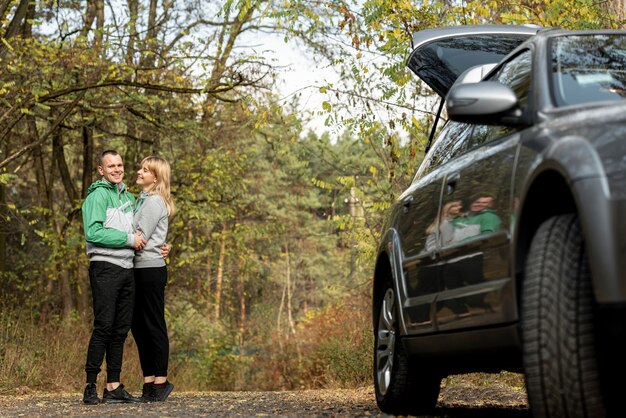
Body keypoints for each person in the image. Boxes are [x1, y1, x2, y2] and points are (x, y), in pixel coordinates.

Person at [81, 150, 146, 404]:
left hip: (127, 269)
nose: (117, 169)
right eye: (111, 166)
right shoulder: (98, 195)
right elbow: (93, 233)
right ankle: (89, 386)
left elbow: (140, 231)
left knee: (120, 330)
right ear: (101, 170)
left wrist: (161, 247)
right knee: (104, 327)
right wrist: (129, 240)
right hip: (105, 268)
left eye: (119, 165)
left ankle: (113, 386)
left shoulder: (128, 197)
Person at [131, 156, 175, 402]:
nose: (139, 172)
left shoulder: (154, 201)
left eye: (144, 170)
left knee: (153, 324)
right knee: (138, 325)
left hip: (150, 269)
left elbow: (139, 236)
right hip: (139, 268)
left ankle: (160, 381)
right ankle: (148, 381)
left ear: (155, 178)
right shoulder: (142, 201)